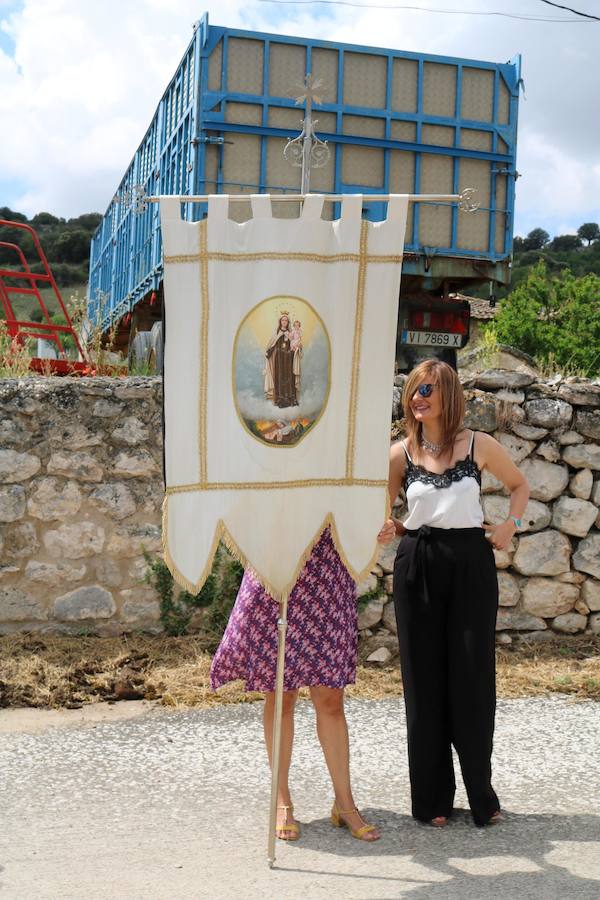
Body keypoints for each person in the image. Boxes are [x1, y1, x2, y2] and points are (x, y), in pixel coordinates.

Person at [378, 359, 529, 828]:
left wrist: (510, 524)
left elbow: (520, 486)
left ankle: (481, 794)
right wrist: (389, 525)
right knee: (423, 684)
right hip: (417, 562)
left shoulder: (477, 445)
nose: (417, 398)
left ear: (448, 394)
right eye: (412, 391)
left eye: (426, 390)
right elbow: (387, 510)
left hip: (469, 562)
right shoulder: (398, 453)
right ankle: (432, 799)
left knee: (472, 677)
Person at [210, 528, 381, 843]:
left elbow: (358, 497)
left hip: (328, 571)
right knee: (281, 695)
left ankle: (345, 804)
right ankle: (281, 799)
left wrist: (372, 526)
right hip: (276, 569)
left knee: (330, 697)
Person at [264, 313, 297, 408]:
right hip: (279, 359)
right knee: (279, 377)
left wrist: (296, 348)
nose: (284, 322)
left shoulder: (291, 333)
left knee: (289, 377)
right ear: (280, 322)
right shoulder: (276, 333)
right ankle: (280, 400)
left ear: (288, 322)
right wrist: (269, 352)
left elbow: (295, 343)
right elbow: (272, 344)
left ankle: (291, 399)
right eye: (283, 320)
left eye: (286, 320)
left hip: (288, 358)